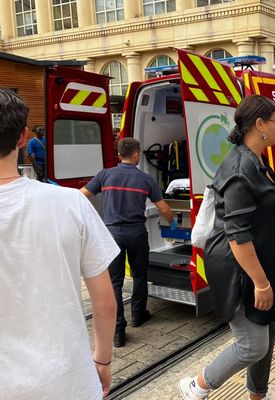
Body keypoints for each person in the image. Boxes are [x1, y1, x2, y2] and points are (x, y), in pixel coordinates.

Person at [0, 89, 119, 398]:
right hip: (68, 381)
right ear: (23, 137)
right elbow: (105, 303)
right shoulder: (71, 203)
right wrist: (102, 360)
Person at [178, 95, 275, 400]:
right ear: (260, 125)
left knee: (269, 331)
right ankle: (197, 386)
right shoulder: (240, 169)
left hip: (258, 261)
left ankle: (257, 395)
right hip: (238, 268)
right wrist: (261, 282)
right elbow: (237, 236)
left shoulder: (255, 161)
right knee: (252, 344)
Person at [81, 137, 175, 347]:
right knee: (139, 274)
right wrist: (175, 224)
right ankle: (138, 315)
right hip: (136, 234)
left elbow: (81, 196)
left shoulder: (105, 175)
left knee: (115, 281)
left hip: (111, 235)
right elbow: (164, 209)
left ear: (119, 154)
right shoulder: (145, 179)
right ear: (136, 155)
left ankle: (118, 331)